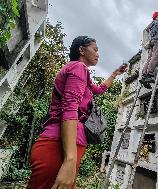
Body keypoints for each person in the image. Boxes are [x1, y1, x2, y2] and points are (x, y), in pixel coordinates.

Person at [27, 36, 127, 189]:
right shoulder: (78, 68)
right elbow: (70, 107)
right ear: (82, 50)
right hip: (58, 146)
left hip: (64, 145)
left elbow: (98, 90)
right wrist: (70, 160)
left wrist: (114, 74)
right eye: (95, 49)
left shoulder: (82, 73)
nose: (98, 54)